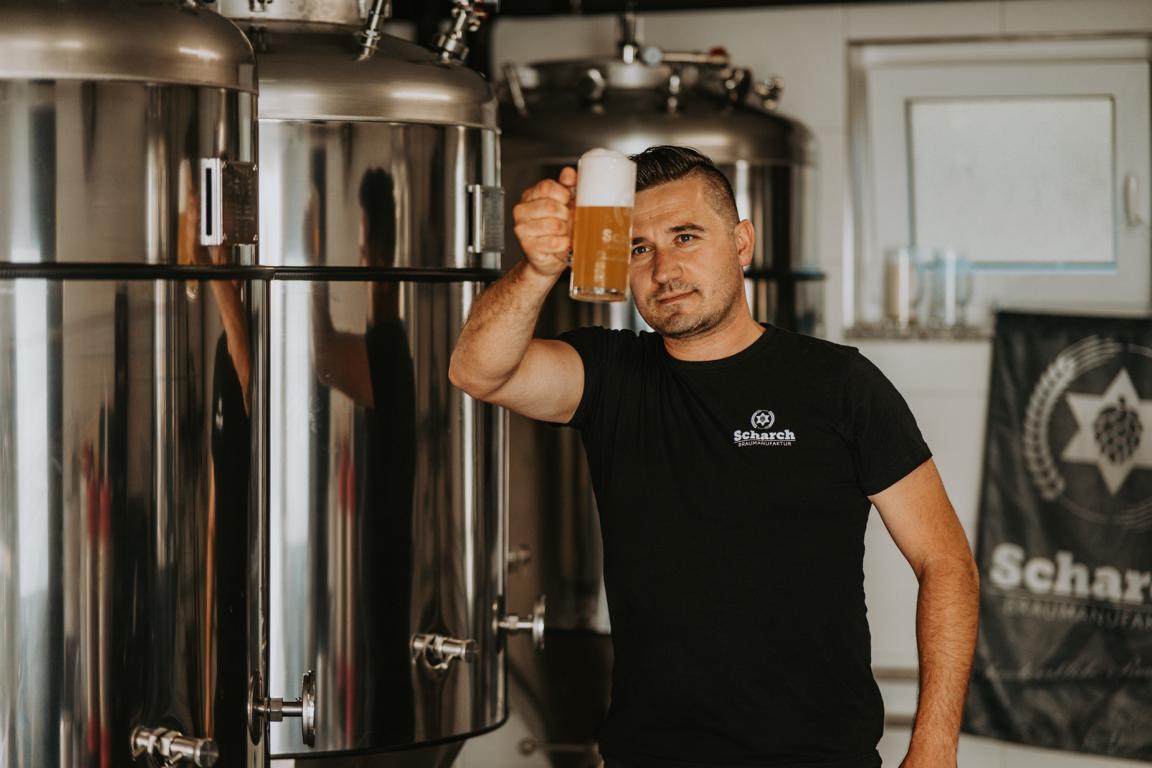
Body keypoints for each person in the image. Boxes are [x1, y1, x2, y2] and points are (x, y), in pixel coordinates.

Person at [449, 145, 979, 768]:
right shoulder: (610, 375)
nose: (664, 269)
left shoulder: (839, 385)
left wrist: (934, 745)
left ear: (742, 243)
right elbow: (476, 371)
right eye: (639, 248)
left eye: (685, 236)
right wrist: (538, 269)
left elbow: (946, 562)